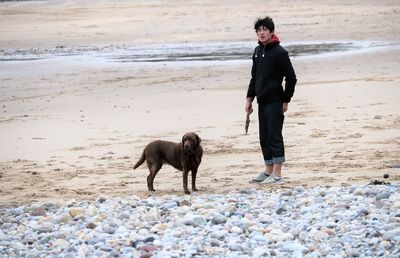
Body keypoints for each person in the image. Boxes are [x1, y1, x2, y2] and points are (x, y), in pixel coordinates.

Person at [245, 16, 297, 184]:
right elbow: (254, 77)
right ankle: (268, 171)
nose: (261, 33)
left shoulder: (280, 53)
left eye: (264, 30)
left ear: (271, 32)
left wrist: (286, 100)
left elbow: (291, 78)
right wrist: (249, 98)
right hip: (262, 101)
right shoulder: (257, 51)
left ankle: (277, 175)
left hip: (275, 101)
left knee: (274, 136)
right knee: (264, 137)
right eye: (259, 30)